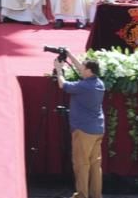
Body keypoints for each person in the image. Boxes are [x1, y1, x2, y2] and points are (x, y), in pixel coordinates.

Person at [54, 55, 105, 198]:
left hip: (84, 131)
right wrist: (69, 54)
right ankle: (96, 195)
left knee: (81, 164)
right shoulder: (99, 83)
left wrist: (59, 70)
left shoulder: (84, 86)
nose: (80, 68)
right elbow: (81, 68)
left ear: (89, 70)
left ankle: (82, 195)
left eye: (83, 67)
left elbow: (63, 85)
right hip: (97, 129)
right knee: (95, 165)